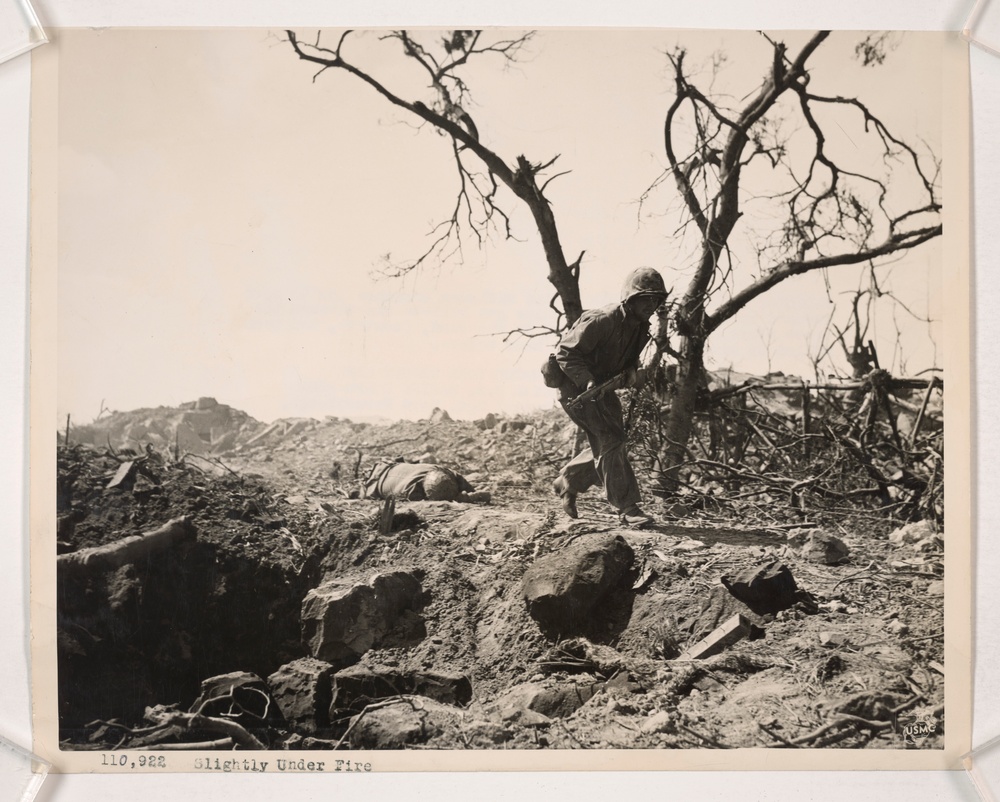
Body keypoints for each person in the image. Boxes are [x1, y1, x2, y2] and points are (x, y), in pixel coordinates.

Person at [551, 267, 668, 528]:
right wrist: (587, 381)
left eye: (656, 299)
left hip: (601, 388)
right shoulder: (603, 319)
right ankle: (627, 507)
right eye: (646, 298)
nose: (652, 304)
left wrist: (630, 375)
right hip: (576, 388)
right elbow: (565, 354)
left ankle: (569, 480)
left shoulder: (639, 328)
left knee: (614, 440)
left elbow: (628, 361)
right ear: (631, 298)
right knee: (611, 439)